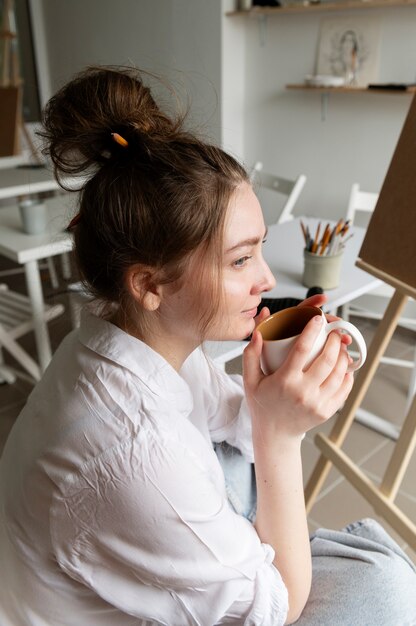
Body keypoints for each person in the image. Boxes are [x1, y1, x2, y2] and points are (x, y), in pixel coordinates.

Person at [0, 66, 415, 626]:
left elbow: (227, 420)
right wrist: (282, 434)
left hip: (129, 527)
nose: (267, 280)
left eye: (259, 249)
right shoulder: (130, 452)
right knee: (387, 592)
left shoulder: (139, 339)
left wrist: (270, 395)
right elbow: (279, 608)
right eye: (241, 260)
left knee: (381, 581)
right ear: (149, 285)